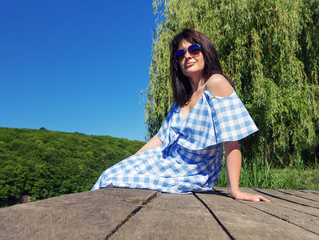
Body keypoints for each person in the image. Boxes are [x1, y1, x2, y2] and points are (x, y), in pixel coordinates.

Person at [92, 29, 269, 202]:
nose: (187, 57)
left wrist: (235, 191)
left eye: (194, 49)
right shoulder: (181, 99)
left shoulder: (216, 83)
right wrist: (132, 161)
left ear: (206, 51)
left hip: (191, 171)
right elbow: (161, 138)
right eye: (180, 55)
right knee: (110, 174)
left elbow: (232, 142)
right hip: (166, 160)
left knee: (112, 179)